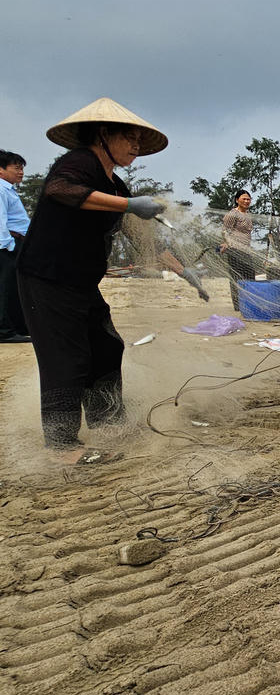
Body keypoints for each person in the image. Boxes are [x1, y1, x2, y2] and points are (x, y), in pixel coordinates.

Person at [16, 97, 167, 451]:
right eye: (128, 137)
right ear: (103, 134)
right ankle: (61, 444)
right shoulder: (79, 162)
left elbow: (140, 237)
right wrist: (128, 204)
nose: (135, 146)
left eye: (139, 140)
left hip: (81, 282)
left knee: (106, 347)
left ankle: (108, 422)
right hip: (47, 277)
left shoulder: (116, 186)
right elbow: (59, 190)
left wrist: (183, 269)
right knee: (65, 356)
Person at [0, 150, 32, 343]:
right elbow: (0, 220)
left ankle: (18, 326)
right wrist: (8, 246)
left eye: (22, 169)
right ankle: (4, 331)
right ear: (1, 170)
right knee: (5, 287)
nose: (21, 172)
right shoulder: (1, 189)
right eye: (16, 168)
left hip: (15, 244)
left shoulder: (9, 189)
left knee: (14, 286)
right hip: (6, 245)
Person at [219, 189, 254, 312]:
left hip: (246, 250)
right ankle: (238, 306)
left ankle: (248, 303)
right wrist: (227, 243)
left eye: (248, 199)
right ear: (237, 200)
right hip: (235, 250)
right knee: (236, 277)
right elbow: (225, 230)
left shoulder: (248, 215)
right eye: (244, 199)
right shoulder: (233, 214)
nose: (246, 201)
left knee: (250, 276)